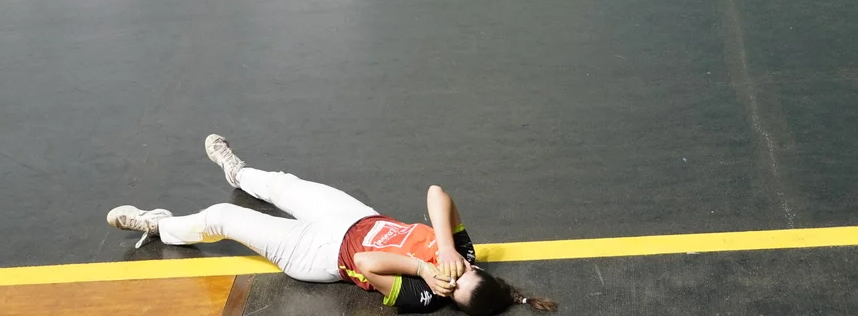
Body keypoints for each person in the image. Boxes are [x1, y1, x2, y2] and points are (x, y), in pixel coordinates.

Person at [107, 135, 557, 315]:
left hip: (319, 254)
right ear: (474, 268)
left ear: (450, 301)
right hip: (355, 216)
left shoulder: (422, 296)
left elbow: (366, 262)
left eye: (451, 290)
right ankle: (238, 173)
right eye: (461, 274)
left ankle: (159, 226)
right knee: (283, 185)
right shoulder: (462, 255)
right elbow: (436, 192)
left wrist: (423, 269)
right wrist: (449, 246)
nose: (450, 277)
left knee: (222, 218)